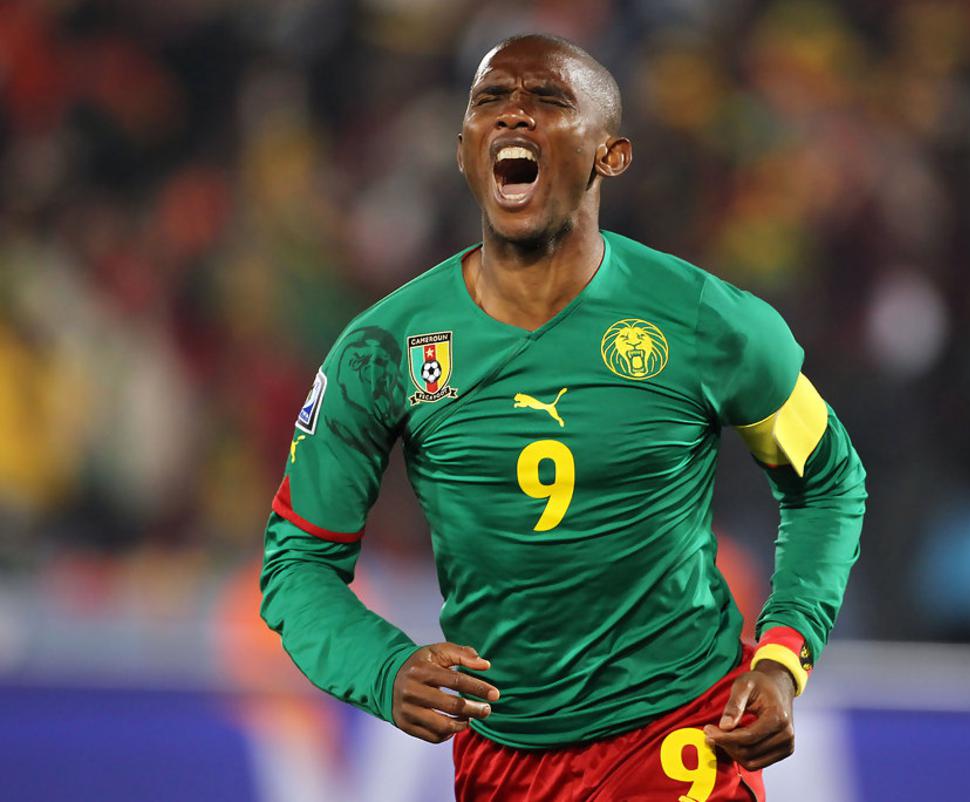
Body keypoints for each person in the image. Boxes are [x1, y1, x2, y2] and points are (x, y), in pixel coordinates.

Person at [260, 33, 867, 802]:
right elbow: (298, 562)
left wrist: (782, 660)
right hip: (503, 761)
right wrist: (382, 668)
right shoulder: (382, 351)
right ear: (464, 151)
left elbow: (828, 482)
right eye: (490, 100)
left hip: (681, 737)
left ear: (611, 154)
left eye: (547, 99)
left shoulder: (709, 323)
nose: (514, 115)